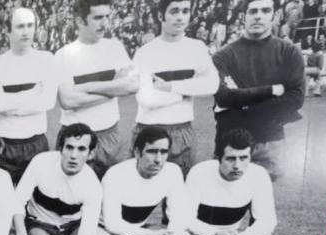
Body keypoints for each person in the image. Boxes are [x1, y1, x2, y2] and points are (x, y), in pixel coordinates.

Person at [11, 122, 110, 235]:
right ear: (60, 149)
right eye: (69, 147)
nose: (73, 155)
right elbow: (18, 201)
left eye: (81, 149)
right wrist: (21, 234)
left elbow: (87, 234)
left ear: (91, 154)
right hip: (40, 225)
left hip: (72, 229)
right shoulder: (41, 162)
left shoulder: (92, 185)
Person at [96, 125, 193, 235]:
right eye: (152, 151)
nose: (158, 159)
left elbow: (179, 213)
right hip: (106, 230)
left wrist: (171, 234)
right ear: (137, 152)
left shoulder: (172, 171)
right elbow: (112, 222)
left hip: (138, 229)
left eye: (163, 152)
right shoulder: (116, 174)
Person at [212, 0, 304, 180]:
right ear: (243, 16)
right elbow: (223, 97)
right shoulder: (223, 56)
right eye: (253, 11)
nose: (258, 15)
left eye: (265, 10)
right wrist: (271, 91)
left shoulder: (289, 53)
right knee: (225, 203)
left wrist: (242, 103)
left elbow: (295, 98)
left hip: (270, 143)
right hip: (230, 144)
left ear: (275, 15)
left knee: (262, 204)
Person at [181, 128, 278, 235]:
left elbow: (267, 220)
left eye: (243, 158)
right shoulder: (199, 172)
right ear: (218, 158)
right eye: (231, 158)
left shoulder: (258, 175)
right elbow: (185, 218)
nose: (237, 166)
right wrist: (216, 234)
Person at [132, 0, 218, 174]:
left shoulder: (197, 48)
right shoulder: (145, 52)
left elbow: (212, 84)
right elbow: (147, 99)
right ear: (160, 15)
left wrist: (171, 86)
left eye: (185, 11)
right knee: (144, 193)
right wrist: (185, 93)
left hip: (182, 131)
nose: (180, 17)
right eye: (174, 11)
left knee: (179, 191)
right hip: (148, 131)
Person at [55, 0, 139, 179]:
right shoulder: (63, 55)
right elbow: (68, 101)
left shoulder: (114, 48)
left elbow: (133, 85)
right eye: (98, 17)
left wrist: (88, 87)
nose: (105, 23)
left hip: (110, 136)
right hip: (75, 139)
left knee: (109, 195)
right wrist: (115, 89)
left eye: (107, 17)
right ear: (79, 21)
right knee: (73, 197)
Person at [0, 6, 59, 185]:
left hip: (36, 143)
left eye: (30, 25)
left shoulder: (46, 59)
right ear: (7, 30)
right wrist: (34, 93)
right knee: (3, 200)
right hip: (4, 145)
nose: (26, 32)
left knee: (36, 200)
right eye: (19, 26)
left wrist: (12, 103)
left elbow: (48, 102)